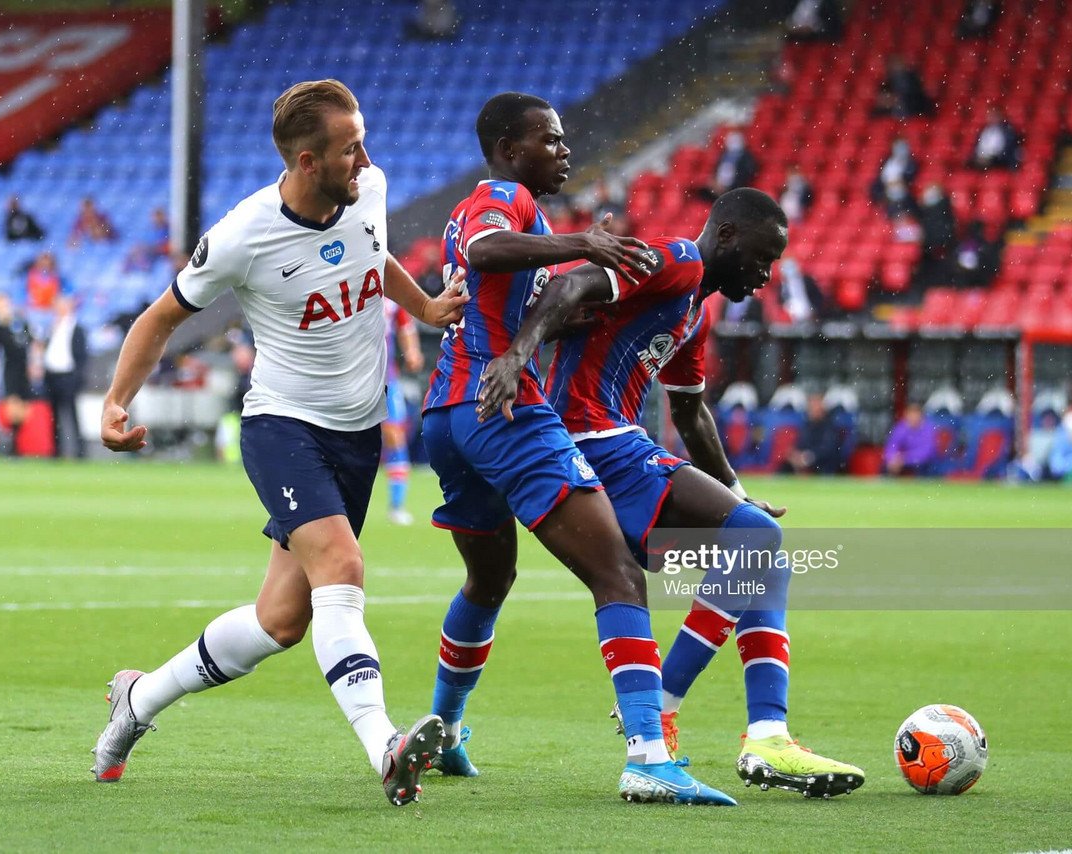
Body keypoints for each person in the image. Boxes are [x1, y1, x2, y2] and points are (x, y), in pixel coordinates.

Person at [90, 79, 469, 807]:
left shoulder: (370, 190)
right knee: (343, 563)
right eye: (349, 149)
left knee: (282, 621)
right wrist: (114, 402)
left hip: (356, 434)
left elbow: (371, 253)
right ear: (305, 161)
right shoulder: (244, 234)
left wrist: (421, 305)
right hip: (283, 427)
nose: (365, 159)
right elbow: (160, 318)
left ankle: (134, 702)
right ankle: (384, 745)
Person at [469, 187, 864, 799]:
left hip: (611, 444)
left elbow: (691, 412)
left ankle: (766, 735)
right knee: (757, 543)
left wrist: (736, 492)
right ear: (727, 236)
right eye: (762, 258)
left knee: (761, 555)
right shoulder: (676, 260)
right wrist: (519, 354)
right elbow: (569, 287)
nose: (766, 275)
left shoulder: (695, 313)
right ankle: (671, 705)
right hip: (592, 436)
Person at [419, 91, 734, 805]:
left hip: (448, 411)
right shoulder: (503, 197)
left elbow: (499, 291)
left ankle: (445, 730)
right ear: (507, 148)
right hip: (500, 406)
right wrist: (584, 244)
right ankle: (650, 755)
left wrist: (563, 315)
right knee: (619, 574)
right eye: (549, 140)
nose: (564, 150)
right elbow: (484, 248)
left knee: (489, 581)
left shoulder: (512, 207)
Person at [383, 300, 423, 525]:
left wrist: (412, 351)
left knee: (395, 437)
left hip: (387, 380)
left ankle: (397, 505)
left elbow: (406, 325)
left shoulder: (390, 296)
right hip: (349, 381)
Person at [0, 292, 35, 456]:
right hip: (9, 370)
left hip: (24, 370)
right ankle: (12, 445)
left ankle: (15, 442)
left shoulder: (21, 323)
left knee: (24, 411)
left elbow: (32, 345)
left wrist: (35, 366)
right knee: (12, 408)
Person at [41, 294, 88, 459]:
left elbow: (81, 355)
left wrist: (77, 376)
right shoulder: (52, 326)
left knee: (72, 413)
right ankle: (56, 450)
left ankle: (80, 450)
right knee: (54, 415)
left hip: (68, 376)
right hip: (52, 375)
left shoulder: (76, 327)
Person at [782, 393, 846, 474]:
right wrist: (795, 455)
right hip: (807, 461)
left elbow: (828, 449)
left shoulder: (830, 425)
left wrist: (809, 457)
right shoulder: (806, 425)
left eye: (816, 406)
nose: (813, 409)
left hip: (824, 464)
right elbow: (801, 443)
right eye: (811, 406)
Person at [883, 402, 939, 475]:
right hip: (903, 463)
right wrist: (892, 458)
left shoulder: (929, 429)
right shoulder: (901, 428)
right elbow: (892, 445)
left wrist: (905, 459)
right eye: (911, 415)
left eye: (916, 415)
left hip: (924, 464)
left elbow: (926, 453)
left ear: (921, 416)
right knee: (887, 467)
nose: (913, 418)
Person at [778, 257, 831, 323]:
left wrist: (814, 310)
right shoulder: (782, 285)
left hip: (810, 314)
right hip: (792, 318)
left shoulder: (807, 281)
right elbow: (781, 302)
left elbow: (817, 296)